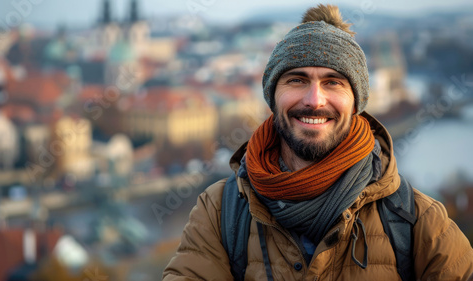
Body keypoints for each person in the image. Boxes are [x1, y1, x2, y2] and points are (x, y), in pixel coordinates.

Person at [163, 4, 473, 281]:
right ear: (273, 97)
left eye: (333, 82)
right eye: (296, 80)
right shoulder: (220, 211)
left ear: (357, 103)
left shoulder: (417, 220)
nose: (314, 100)